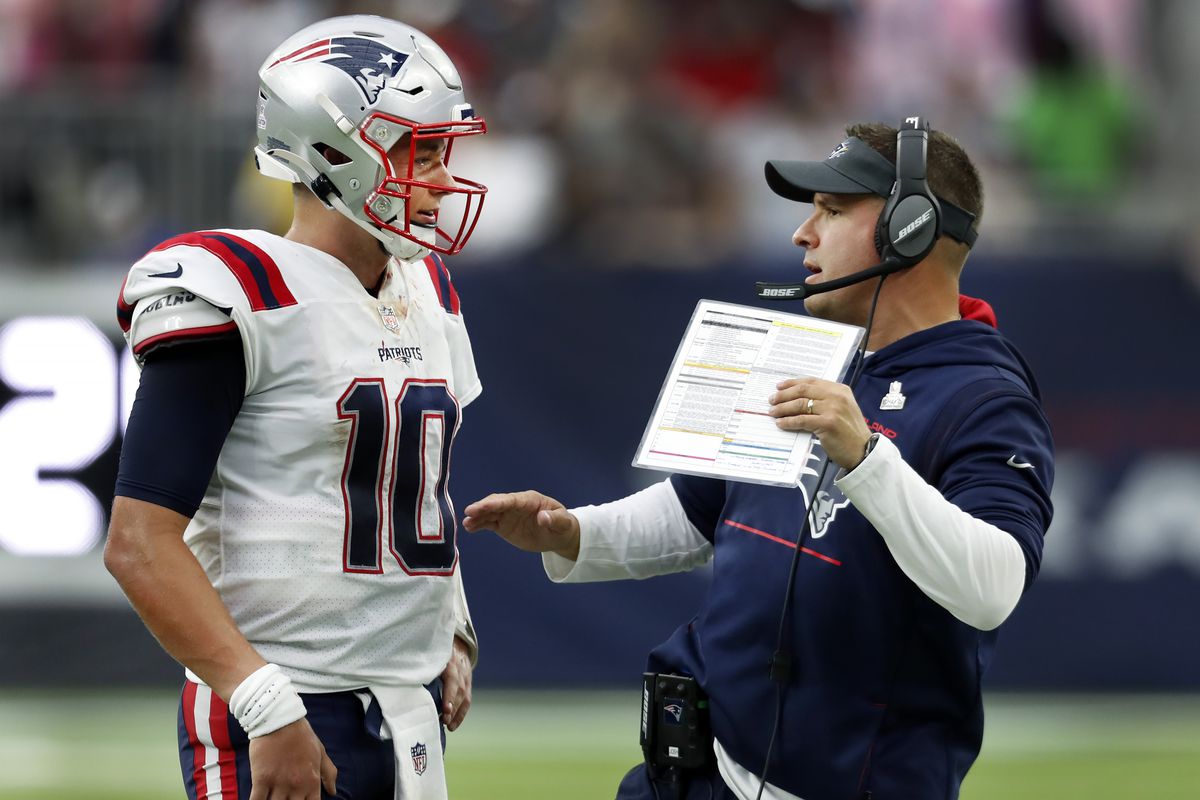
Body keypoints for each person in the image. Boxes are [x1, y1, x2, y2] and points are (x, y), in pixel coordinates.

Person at [464, 122, 1054, 799]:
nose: (803, 233)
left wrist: (866, 459)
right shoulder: (807, 349)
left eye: (832, 211)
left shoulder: (984, 395)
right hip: (697, 770)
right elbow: (702, 510)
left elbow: (994, 589)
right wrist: (577, 533)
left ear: (909, 228)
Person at [104, 15, 489, 799]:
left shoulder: (428, 290)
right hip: (281, 703)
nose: (443, 180)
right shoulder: (237, 289)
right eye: (420, 151)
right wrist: (267, 706)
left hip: (407, 713)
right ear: (333, 151)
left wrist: (449, 622)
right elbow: (139, 543)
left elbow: (411, 491)